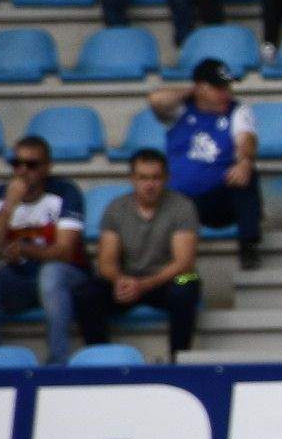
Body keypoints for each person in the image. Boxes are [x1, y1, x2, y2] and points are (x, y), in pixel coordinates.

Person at [75, 147, 203, 356]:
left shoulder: (182, 206)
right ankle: (101, 359)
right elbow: (106, 262)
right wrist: (120, 280)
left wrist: (145, 285)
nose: (150, 184)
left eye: (156, 178)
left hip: (168, 281)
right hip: (127, 280)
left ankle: (179, 359)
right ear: (132, 179)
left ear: (166, 178)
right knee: (87, 292)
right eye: (143, 178)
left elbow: (184, 262)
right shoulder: (116, 208)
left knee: (187, 284)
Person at [0, 134, 83, 364]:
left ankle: (58, 361)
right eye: (16, 164)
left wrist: (24, 250)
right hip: (17, 281)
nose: (23, 171)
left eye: (31, 165)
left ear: (47, 167)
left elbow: (65, 252)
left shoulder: (66, 193)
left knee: (51, 274)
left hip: (63, 278)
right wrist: (8, 207)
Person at [149, 59, 264, 270]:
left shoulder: (237, 111)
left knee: (248, 175)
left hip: (215, 199)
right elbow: (156, 100)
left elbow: (246, 139)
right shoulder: (180, 111)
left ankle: (249, 245)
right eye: (219, 88)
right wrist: (191, 92)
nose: (226, 94)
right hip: (178, 201)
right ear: (200, 88)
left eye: (227, 87)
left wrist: (244, 161)